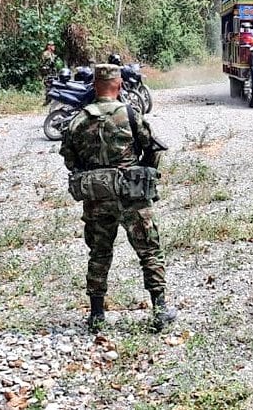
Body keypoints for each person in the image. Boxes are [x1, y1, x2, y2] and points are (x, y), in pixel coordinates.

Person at [60, 64, 175, 332]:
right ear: (119, 85)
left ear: (94, 87)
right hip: (132, 195)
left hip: (97, 198)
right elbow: (152, 148)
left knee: (99, 253)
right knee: (149, 250)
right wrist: (144, 172)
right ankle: (159, 311)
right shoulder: (130, 114)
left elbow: (70, 159)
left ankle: (97, 316)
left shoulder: (78, 120)